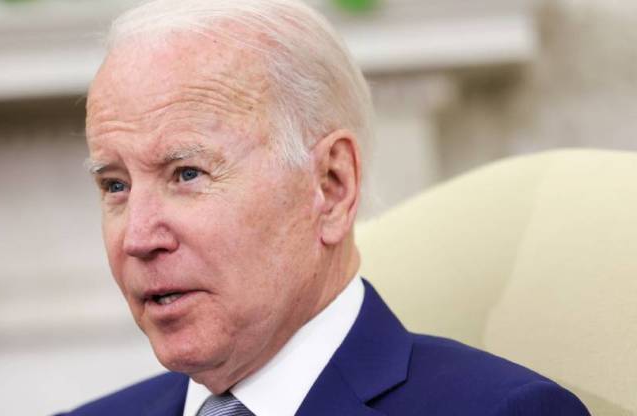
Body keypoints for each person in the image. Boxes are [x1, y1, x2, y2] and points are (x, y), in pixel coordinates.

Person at [60, 0, 590, 415]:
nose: (137, 237)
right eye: (115, 186)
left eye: (187, 174)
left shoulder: (503, 412)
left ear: (331, 185)